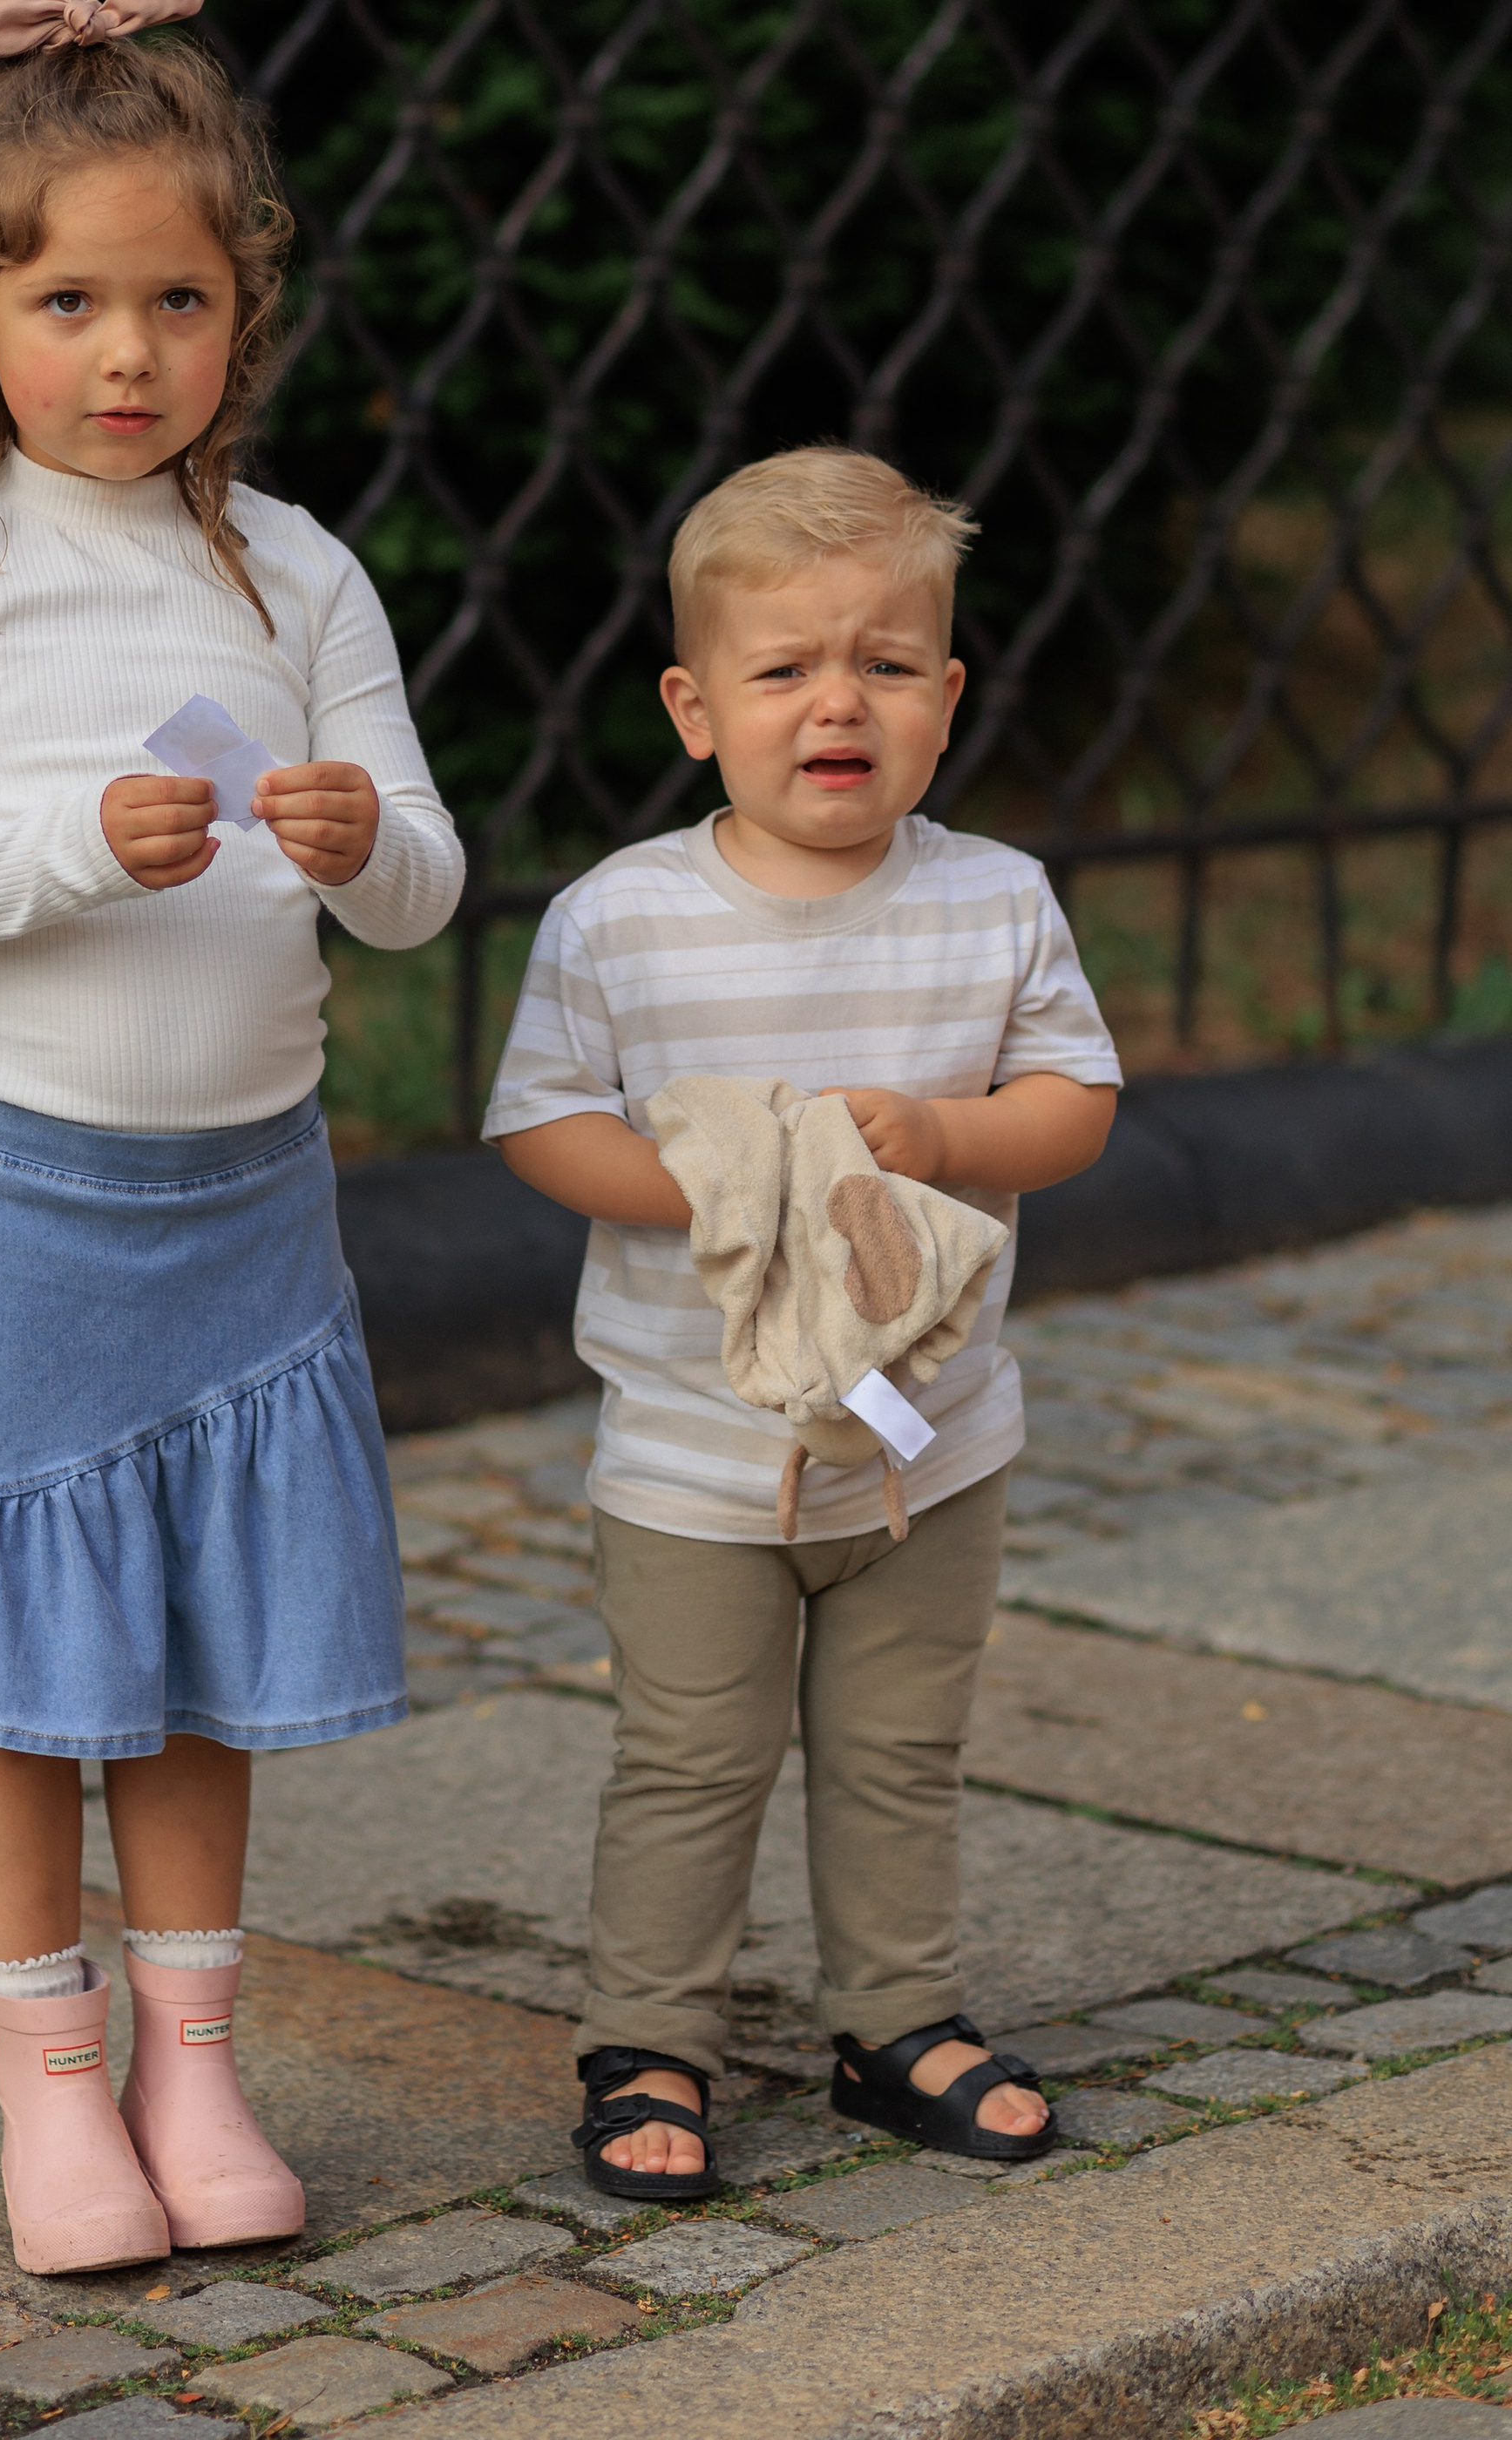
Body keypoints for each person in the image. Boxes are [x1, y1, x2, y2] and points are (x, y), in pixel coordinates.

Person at [0, 0, 463, 2274]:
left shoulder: (294, 569)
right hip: (11, 1198)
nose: (129, 349)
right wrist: (76, 850)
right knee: (16, 1659)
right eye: (71, 298)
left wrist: (363, 834)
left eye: (180, 296)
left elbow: (418, 894)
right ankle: (49, 2089)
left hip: (247, 1212)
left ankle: (197, 2061)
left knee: (195, 1659)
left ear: (240, 309)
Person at [484, 444, 1121, 2199]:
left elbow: (1072, 1104)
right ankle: (648, 2042)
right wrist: (719, 1180)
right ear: (696, 708)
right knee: (689, 1759)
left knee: (899, 1750)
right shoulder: (620, 921)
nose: (833, 701)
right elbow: (537, 1124)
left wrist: (945, 1136)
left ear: (941, 700)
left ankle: (893, 2019)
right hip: (698, 1457)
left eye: (884, 665)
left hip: (933, 1444)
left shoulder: (990, 900)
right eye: (782, 669)